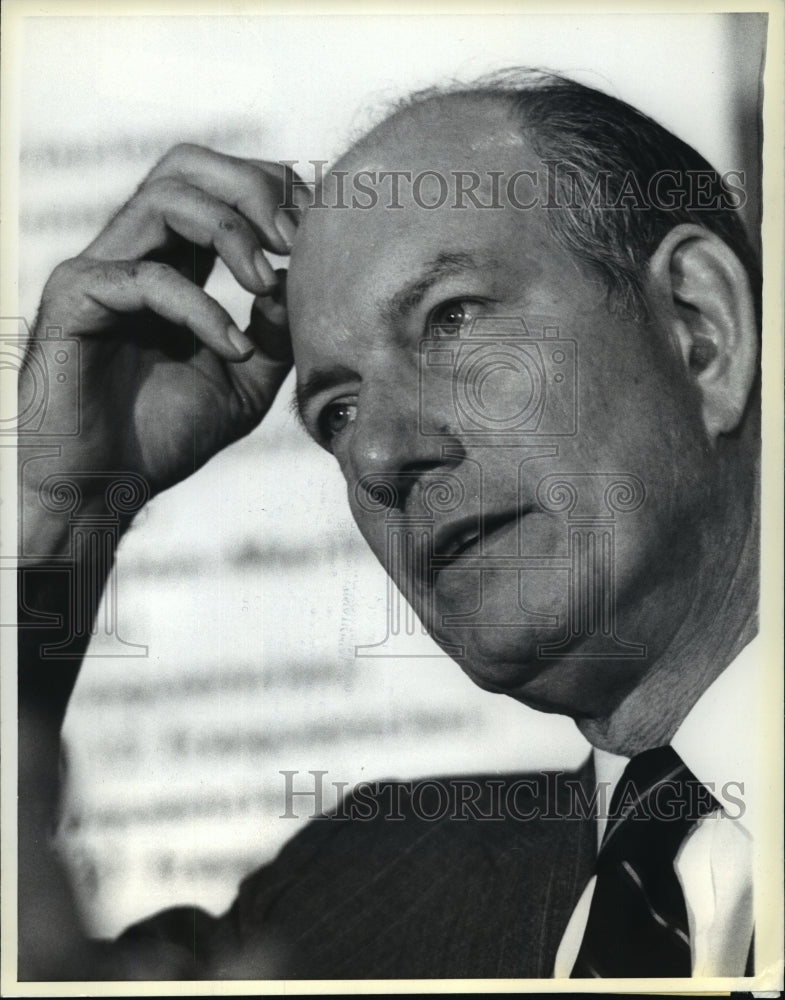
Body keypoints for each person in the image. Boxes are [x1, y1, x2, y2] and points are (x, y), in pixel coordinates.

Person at [17, 70, 761, 981]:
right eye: (334, 411)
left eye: (449, 319)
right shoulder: (350, 901)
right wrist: (60, 521)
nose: (375, 456)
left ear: (700, 328)